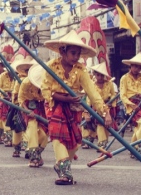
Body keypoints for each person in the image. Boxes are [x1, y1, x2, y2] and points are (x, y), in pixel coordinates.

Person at [41, 30, 112, 185]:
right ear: (62, 51)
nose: (76, 57)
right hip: (56, 106)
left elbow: (92, 93)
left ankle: (61, 164)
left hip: (73, 109)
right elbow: (45, 90)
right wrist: (63, 97)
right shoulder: (51, 67)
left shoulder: (81, 70)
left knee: (76, 142)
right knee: (58, 137)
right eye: (73, 53)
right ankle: (65, 173)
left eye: (78, 54)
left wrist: (105, 112)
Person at [120, 53, 141, 158]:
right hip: (132, 104)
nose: (137, 68)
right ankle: (139, 148)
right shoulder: (124, 78)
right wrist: (132, 105)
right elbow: (123, 96)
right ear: (131, 65)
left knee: (140, 126)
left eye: (139, 67)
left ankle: (132, 148)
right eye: (135, 66)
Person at [19, 64, 48, 167]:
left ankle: (38, 154)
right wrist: (27, 111)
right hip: (29, 108)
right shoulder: (26, 82)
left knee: (44, 134)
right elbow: (21, 99)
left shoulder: (48, 83)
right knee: (32, 130)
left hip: (43, 109)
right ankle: (34, 157)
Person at [7, 52, 33, 158]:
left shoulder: (36, 80)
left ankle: (28, 148)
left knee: (30, 128)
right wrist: (18, 106)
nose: (29, 72)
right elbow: (16, 94)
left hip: (33, 107)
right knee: (18, 128)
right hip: (20, 106)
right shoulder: (20, 80)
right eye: (27, 71)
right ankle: (17, 148)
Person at [89, 62, 117, 150]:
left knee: (107, 125)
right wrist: (88, 110)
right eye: (98, 75)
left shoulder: (109, 84)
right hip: (97, 107)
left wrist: (112, 103)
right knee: (100, 124)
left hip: (108, 106)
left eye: (102, 75)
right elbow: (90, 97)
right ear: (95, 75)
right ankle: (101, 144)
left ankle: (104, 142)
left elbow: (113, 94)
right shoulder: (92, 85)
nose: (100, 77)